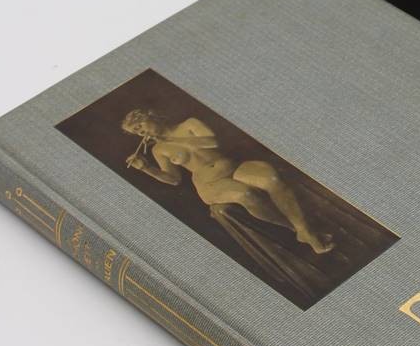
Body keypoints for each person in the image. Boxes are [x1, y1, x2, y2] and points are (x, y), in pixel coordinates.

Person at [121, 108, 333, 255]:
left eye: (141, 125)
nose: (142, 131)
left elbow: (213, 142)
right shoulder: (159, 150)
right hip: (209, 184)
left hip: (233, 167)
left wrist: (174, 138)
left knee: (271, 178)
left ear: (151, 115)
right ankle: (300, 230)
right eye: (137, 131)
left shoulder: (189, 124)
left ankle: (304, 230)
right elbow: (174, 179)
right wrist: (147, 169)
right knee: (245, 194)